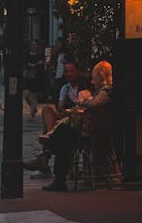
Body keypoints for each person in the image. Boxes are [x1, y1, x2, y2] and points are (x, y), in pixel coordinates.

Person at [42, 61, 113, 192]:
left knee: (62, 135)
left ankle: (54, 168)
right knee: (61, 131)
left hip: (93, 131)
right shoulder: (100, 91)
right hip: (91, 128)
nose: (92, 80)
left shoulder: (105, 92)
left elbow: (92, 104)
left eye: (94, 76)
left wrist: (83, 102)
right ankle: (56, 170)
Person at [23, 40, 45, 119]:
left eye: (35, 45)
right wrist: (33, 65)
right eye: (32, 45)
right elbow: (26, 63)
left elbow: (41, 63)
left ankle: (31, 115)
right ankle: (33, 107)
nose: (34, 46)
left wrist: (35, 65)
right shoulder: (27, 54)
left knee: (33, 96)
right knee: (25, 94)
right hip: (28, 77)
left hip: (36, 77)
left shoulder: (40, 55)